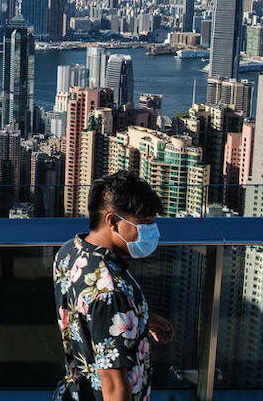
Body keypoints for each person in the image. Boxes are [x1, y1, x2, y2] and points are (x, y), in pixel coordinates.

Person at [52, 171, 174, 401]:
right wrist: (122, 310)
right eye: (143, 223)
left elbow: (88, 318)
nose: (151, 231)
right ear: (112, 221)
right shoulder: (110, 291)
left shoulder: (70, 251)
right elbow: (114, 386)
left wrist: (141, 317)